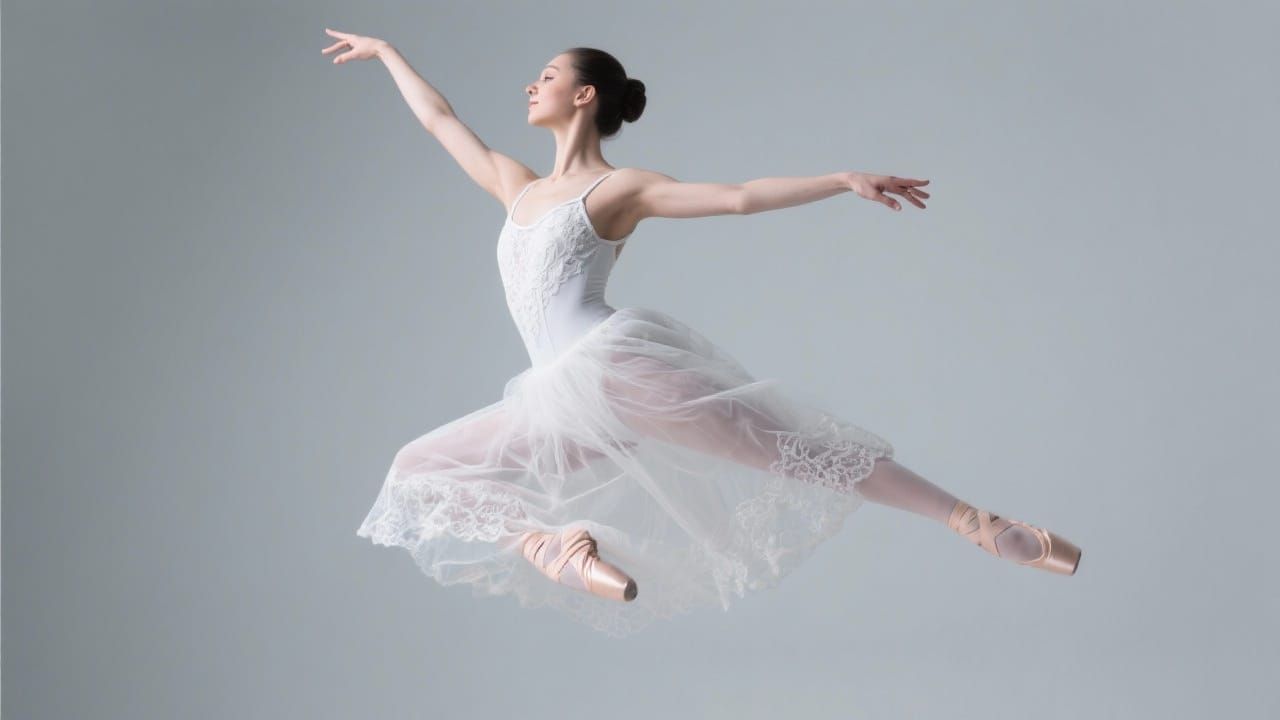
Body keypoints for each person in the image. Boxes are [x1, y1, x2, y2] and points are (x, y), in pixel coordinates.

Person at [324, 31, 1082, 638]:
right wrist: (388, 52)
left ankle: (984, 526)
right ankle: (550, 544)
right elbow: (438, 119)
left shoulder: (615, 189)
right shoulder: (516, 186)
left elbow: (737, 197)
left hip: (617, 373)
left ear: (584, 95)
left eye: (547, 74)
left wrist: (841, 178)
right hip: (556, 404)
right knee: (419, 472)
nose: (531, 85)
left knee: (800, 452)